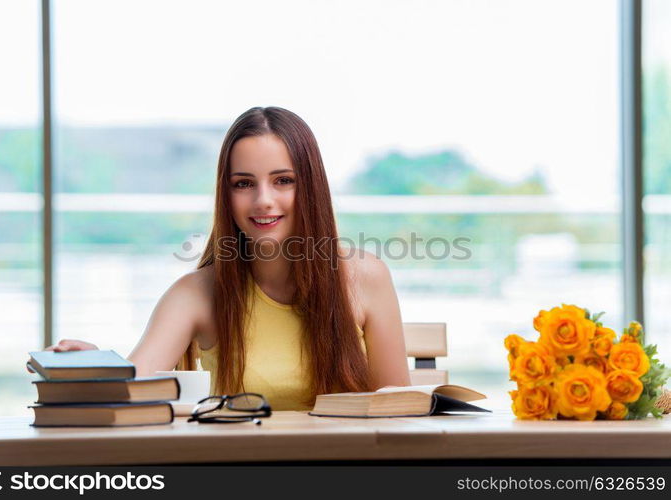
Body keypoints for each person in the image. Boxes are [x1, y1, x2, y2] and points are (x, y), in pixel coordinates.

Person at [34, 106, 410, 410]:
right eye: (243, 183)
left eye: (283, 180)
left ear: (310, 187)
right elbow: (133, 385)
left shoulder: (365, 278)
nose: (263, 199)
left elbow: (399, 410)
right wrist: (97, 367)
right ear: (226, 195)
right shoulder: (196, 293)